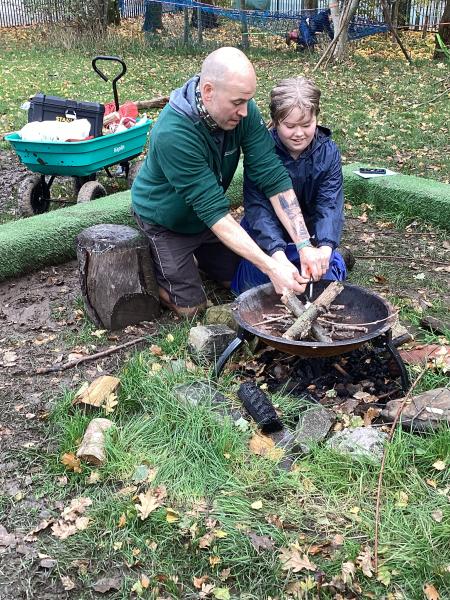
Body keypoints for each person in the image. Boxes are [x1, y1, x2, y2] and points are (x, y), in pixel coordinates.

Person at [132, 47, 326, 317]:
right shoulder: (173, 133)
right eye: (237, 102)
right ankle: (154, 273)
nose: (245, 111)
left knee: (237, 280)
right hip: (165, 222)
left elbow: (272, 175)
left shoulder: (241, 111)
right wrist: (272, 267)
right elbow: (214, 211)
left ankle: (194, 261)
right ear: (208, 91)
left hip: (207, 221)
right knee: (192, 309)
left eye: (248, 100)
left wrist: (304, 244)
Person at [231, 76, 346, 295]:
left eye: (307, 125)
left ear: (317, 117)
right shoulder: (261, 149)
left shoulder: (328, 152)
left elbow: (330, 204)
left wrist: (325, 247)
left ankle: (337, 258)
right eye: (290, 126)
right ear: (275, 121)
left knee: (323, 282)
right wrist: (276, 255)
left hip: (310, 237)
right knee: (258, 287)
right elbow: (258, 209)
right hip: (265, 237)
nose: (299, 134)